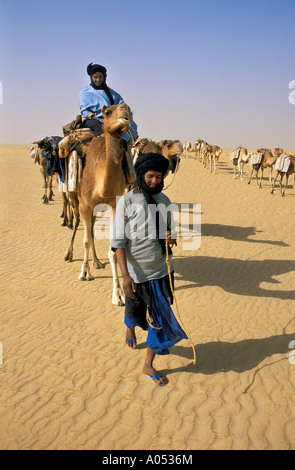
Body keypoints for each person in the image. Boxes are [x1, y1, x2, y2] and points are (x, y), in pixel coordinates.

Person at [110, 153, 188, 386]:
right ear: (142, 175)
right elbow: (118, 242)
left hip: (162, 272)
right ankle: (130, 329)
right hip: (135, 273)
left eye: (159, 176)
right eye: (151, 176)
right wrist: (125, 276)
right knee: (134, 310)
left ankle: (148, 365)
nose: (154, 180)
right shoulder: (127, 201)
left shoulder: (165, 201)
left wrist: (171, 237)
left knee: (159, 320)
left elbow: (171, 232)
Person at [79, 63, 138, 143]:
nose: (98, 80)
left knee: (127, 126)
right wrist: (102, 120)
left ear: (104, 77)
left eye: (100, 77)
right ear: (91, 77)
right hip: (93, 119)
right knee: (99, 128)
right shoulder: (84, 92)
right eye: (95, 77)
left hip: (112, 119)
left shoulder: (113, 94)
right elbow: (86, 112)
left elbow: (120, 106)